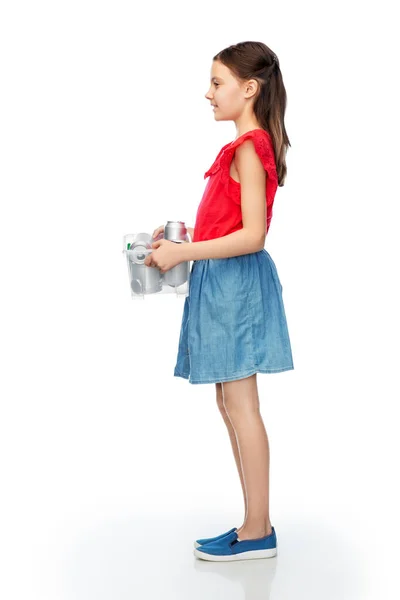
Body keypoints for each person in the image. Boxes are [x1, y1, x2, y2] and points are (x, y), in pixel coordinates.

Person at [145, 41, 294, 562]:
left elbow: (253, 235)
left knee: (243, 406)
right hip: (223, 283)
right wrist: (177, 246)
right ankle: (253, 524)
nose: (207, 93)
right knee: (229, 402)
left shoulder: (251, 147)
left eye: (216, 83)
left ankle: (258, 533)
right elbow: (228, 224)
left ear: (249, 88)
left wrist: (185, 250)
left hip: (238, 286)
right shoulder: (240, 147)